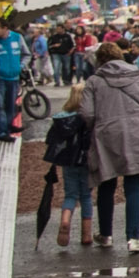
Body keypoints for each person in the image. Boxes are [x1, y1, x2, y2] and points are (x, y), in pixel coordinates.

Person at [82, 43, 139, 254]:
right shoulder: (138, 74)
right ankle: (133, 238)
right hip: (138, 132)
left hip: (107, 134)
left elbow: (87, 114)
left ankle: (106, 235)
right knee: (134, 186)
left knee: (107, 183)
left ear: (100, 60)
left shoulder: (94, 81)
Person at [46, 83, 94, 248]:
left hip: (68, 162)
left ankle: (65, 220)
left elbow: (50, 139)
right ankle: (86, 234)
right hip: (86, 161)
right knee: (86, 196)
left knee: (70, 195)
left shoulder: (62, 118)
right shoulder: (87, 118)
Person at [0, 17, 26, 142]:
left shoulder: (18, 38)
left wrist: (21, 66)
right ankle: (2, 132)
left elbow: (27, 54)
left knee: (11, 105)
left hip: (14, 78)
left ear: (5, 28)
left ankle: (7, 128)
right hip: (0, 78)